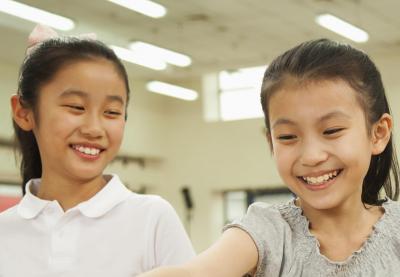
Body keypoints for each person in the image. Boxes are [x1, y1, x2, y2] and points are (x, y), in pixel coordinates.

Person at [138, 39, 400, 276]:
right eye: (287, 136)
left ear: (378, 134)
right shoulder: (267, 232)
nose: (311, 156)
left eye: (331, 131)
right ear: (270, 142)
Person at [0, 25, 195, 276]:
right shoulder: (6, 230)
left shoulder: (151, 217)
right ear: (23, 112)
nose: (94, 128)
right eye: (76, 107)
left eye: (112, 112)